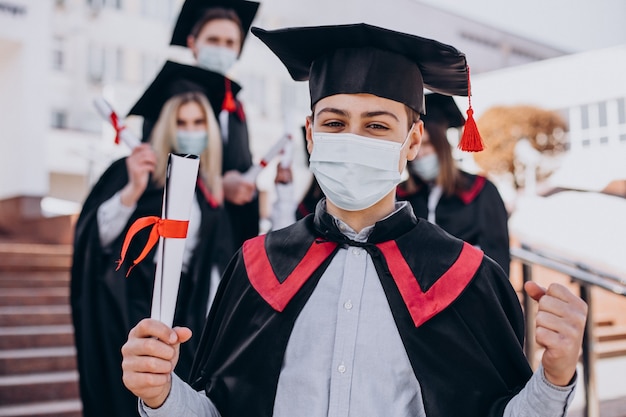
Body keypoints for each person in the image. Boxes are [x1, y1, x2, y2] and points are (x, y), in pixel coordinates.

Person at [121, 23, 588, 417]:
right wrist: (161, 396)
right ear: (310, 134)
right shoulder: (257, 266)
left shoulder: (466, 276)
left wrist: (555, 375)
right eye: (334, 123)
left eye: (378, 125)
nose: (353, 138)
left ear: (412, 140)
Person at [71, 61, 235, 417]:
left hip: (185, 316)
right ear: (165, 126)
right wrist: (132, 190)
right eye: (181, 122)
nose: (190, 130)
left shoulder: (207, 193)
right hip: (129, 306)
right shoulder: (132, 171)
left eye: (198, 123)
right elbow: (95, 240)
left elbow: (214, 267)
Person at [169, 0, 262, 248]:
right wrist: (218, 186)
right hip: (188, 239)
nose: (222, 49)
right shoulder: (172, 98)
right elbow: (158, 170)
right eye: (213, 40)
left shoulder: (236, 106)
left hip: (230, 235)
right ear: (192, 43)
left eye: (230, 43)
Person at [397, 93, 511, 274]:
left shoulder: (481, 192)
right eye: (414, 145)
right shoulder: (399, 198)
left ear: (442, 145)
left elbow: (497, 263)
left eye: (427, 144)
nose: (420, 154)